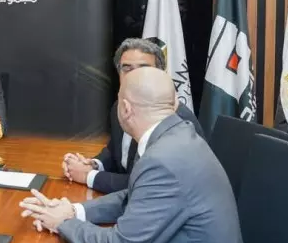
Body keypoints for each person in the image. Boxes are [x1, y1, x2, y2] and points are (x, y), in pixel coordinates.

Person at [20, 67, 261, 243]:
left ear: (125, 109)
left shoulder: (164, 160)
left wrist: (63, 223)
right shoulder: (176, 136)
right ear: (174, 103)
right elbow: (135, 195)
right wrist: (74, 211)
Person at [63, 38, 204, 194]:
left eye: (144, 69)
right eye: (127, 68)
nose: (135, 75)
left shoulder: (175, 119)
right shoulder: (120, 106)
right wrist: (93, 165)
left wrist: (88, 176)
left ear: (160, 73)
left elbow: (148, 184)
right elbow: (114, 152)